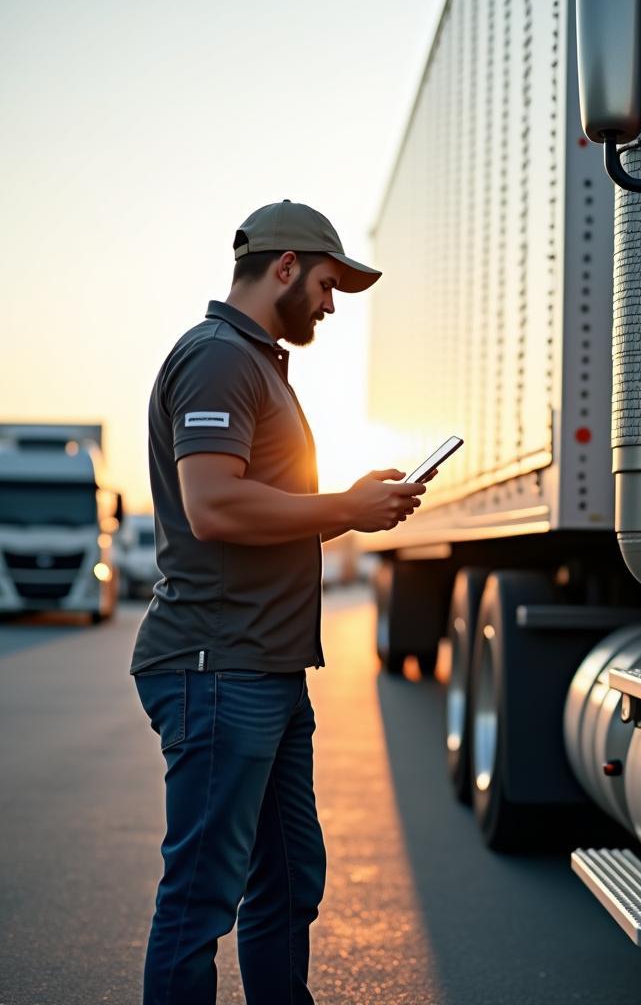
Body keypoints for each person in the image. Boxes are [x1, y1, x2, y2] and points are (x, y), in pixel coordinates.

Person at [130, 199, 434, 1005]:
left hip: (263, 670)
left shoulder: (256, 363)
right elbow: (215, 508)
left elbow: (259, 523)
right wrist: (344, 507)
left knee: (291, 878)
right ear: (287, 267)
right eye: (329, 286)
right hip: (217, 667)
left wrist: (357, 507)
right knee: (200, 900)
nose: (331, 307)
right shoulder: (219, 358)